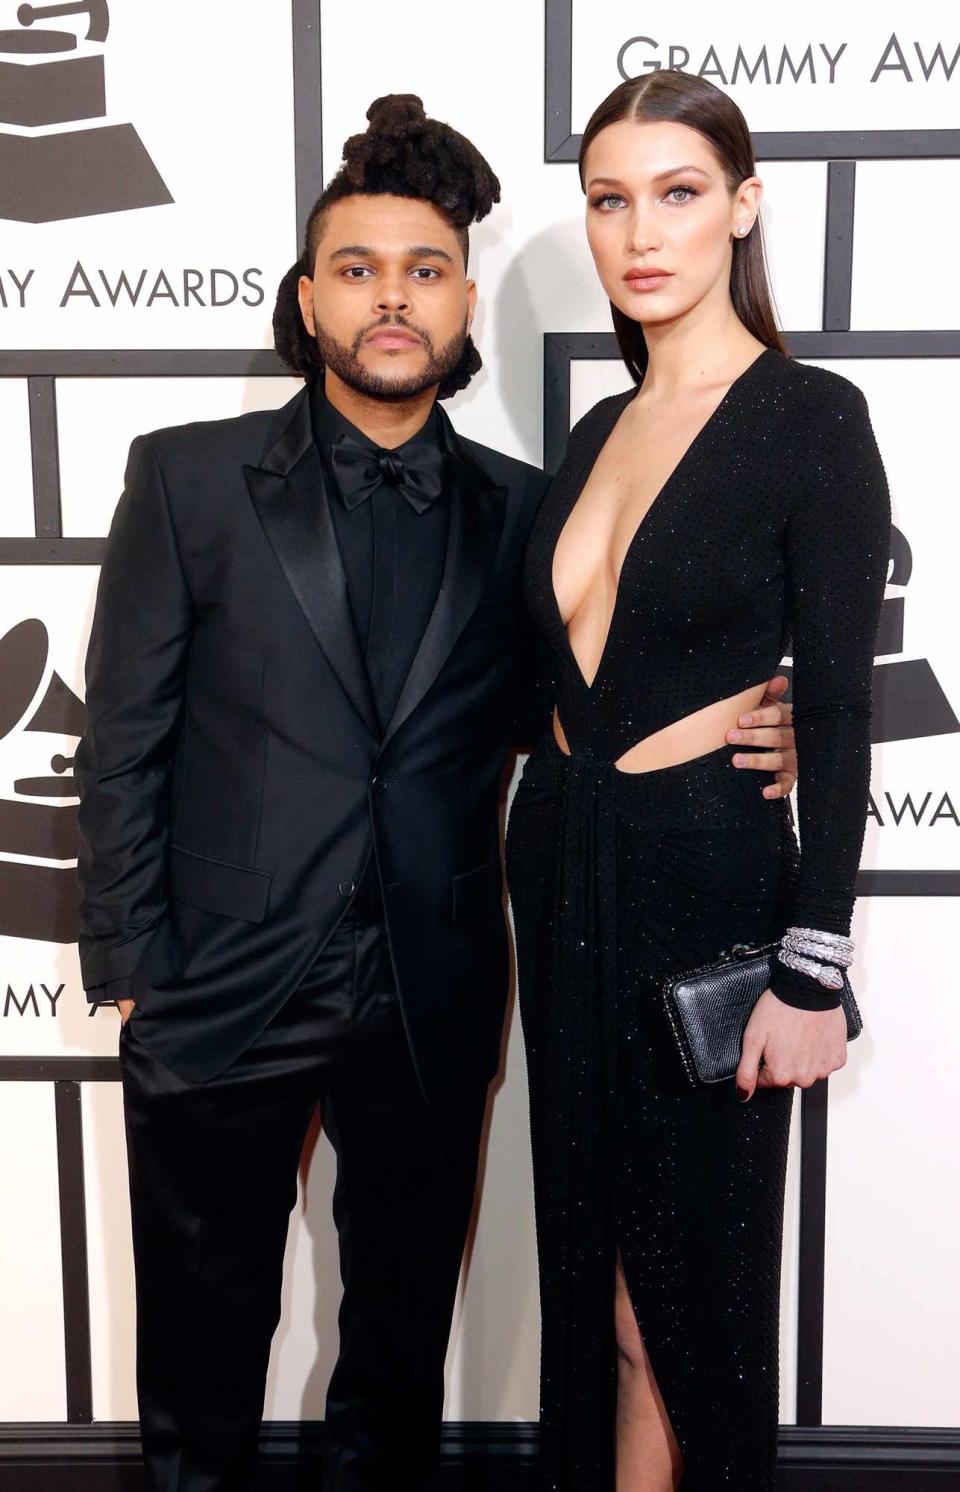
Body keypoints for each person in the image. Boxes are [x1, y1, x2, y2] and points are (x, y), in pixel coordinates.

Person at [75, 93, 799, 1492]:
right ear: (307, 299)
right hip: (218, 982)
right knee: (201, 1353)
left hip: (434, 983)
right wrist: (130, 961)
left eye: (423, 271)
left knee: (399, 1353)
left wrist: (778, 734)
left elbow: (586, 707)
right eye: (357, 270)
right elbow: (122, 732)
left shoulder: (530, 503)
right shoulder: (187, 481)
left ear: (466, 297)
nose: (390, 299)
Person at [505, 70, 891, 1492]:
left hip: (710, 886)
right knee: (593, 1282)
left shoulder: (811, 417)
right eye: (610, 199)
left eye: (676, 192)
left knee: (685, 1305)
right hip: (561, 872)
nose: (640, 230)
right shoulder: (593, 437)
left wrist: (813, 966)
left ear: (742, 203)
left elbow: (842, 713)